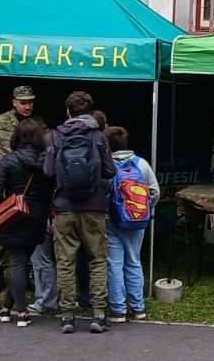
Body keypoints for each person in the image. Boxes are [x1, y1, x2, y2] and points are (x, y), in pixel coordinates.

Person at [42, 91, 114, 333]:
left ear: (68, 111)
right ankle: (98, 315)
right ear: (90, 111)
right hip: (94, 206)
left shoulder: (57, 136)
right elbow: (110, 171)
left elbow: (48, 171)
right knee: (97, 260)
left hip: (64, 207)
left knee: (65, 262)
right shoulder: (99, 136)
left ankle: (67, 316)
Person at [0, 117, 52, 326]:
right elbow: (51, 188)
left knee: (17, 263)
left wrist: (4, 205)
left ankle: (21, 312)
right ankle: (6, 308)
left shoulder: (9, 159)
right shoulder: (46, 161)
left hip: (14, 216)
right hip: (38, 216)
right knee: (22, 263)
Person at [105, 125, 159, 322]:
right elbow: (155, 192)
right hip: (137, 221)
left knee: (114, 265)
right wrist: (143, 210)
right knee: (134, 261)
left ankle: (118, 310)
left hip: (111, 221)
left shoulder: (106, 165)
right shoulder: (141, 163)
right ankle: (138, 308)